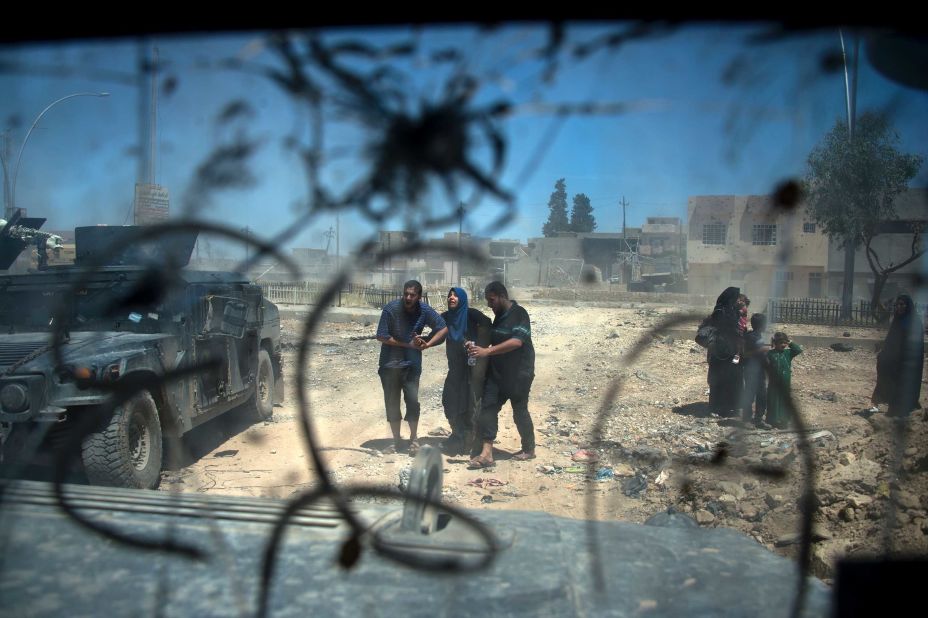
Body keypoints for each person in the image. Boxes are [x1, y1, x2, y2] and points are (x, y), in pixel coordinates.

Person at [465, 281, 536, 469]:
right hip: (498, 374)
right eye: (488, 301)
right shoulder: (499, 316)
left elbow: (517, 342)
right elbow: (493, 341)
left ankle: (529, 448)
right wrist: (474, 346)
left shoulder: (519, 314)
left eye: (492, 300)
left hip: (520, 373)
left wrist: (487, 352)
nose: (489, 305)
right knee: (487, 408)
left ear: (502, 296)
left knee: (519, 410)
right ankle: (487, 453)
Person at [375, 280, 447, 455]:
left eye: (412, 295)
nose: (408, 297)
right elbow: (382, 336)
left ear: (419, 296)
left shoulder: (424, 310)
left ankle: (414, 439)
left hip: (412, 365)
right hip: (389, 365)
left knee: (412, 402)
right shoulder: (391, 309)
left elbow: (443, 328)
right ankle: (396, 440)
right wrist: (408, 345)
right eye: (406, 293)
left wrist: (427, 343)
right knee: (392, 403)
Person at [432, 286, 492, 456]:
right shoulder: (445, 318)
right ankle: (458, 434)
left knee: (472, 404)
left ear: (462, 299)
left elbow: (488, 324)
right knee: (449, 401)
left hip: (473, 370)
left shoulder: (472, 314)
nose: (451, 298)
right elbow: (435, 332)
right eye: (449, 295)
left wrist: (479, 345)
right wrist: (424, 341)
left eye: (455, 295)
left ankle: (471, 440)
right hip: (455, 369)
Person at [871, 294, 924, 418]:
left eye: (902, 304)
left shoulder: (914, 321)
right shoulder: (897, 320)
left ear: (908, 305)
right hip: (896, 360)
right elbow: (892, 339)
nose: (899, 307)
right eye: (897, 305)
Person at [705, 287, 744, 418]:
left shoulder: (733, 311)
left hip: (731, 350)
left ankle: (729, 407)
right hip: (720, 350)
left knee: (732, 379)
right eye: (737, 297)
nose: (738, 300)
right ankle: (716, 407)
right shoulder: (720, 311)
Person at [765, 331, 802, 429]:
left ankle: (784, 420)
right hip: (774, 383)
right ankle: (772, 420)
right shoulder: (771, 353)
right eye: (781, 343)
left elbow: (798, 350)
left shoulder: (788, 353)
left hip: (785, 381)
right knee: (773, 400)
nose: (783, 345)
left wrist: (790, 342)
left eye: (784, 343)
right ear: (775, 343)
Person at [741, 313, 771, 427]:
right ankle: (747, 420)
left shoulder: (757, 335)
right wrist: (763, 349)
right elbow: (745, 353)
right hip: (751, 370)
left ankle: (758, 419)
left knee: (762, 395)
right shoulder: (751, 337)